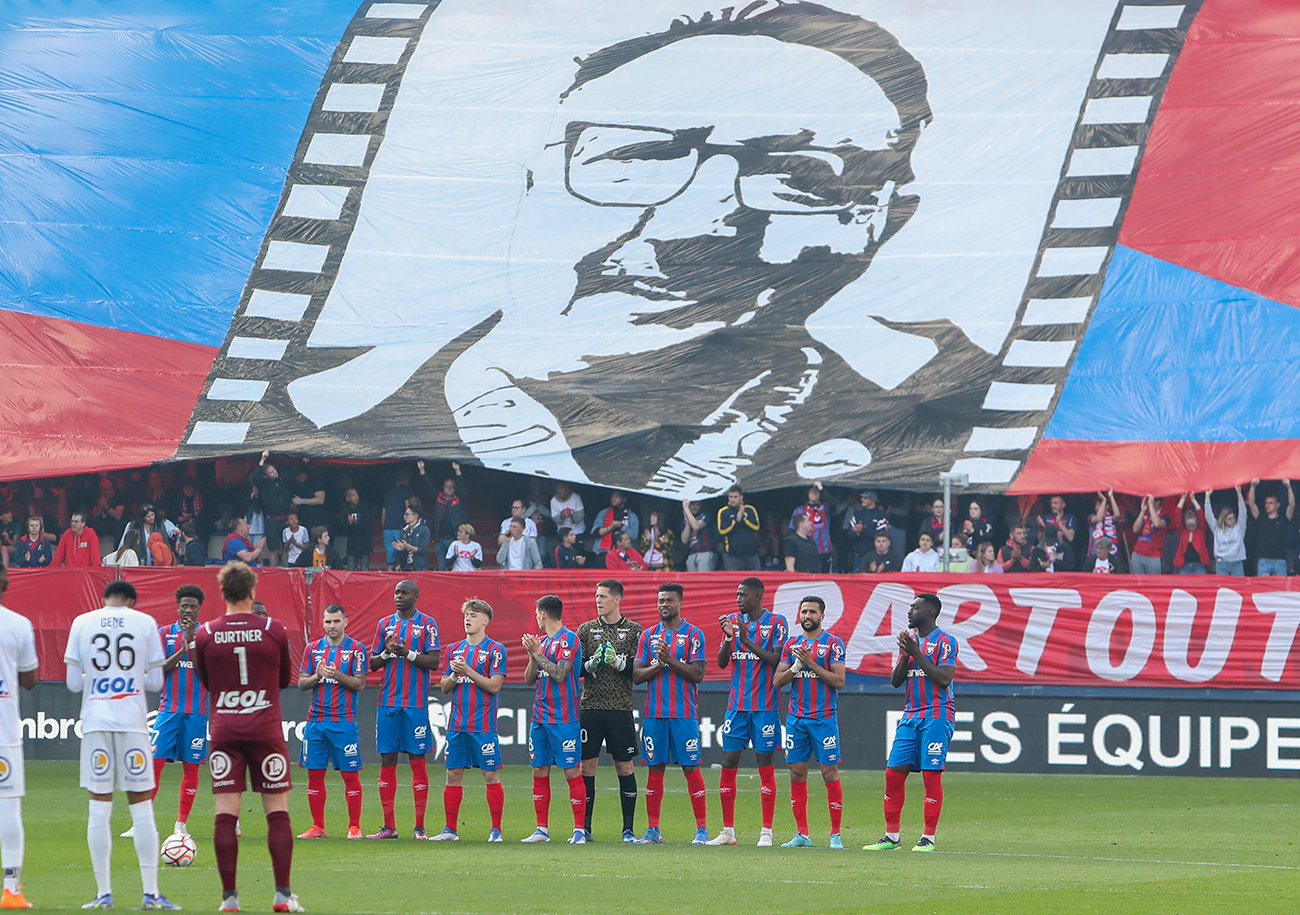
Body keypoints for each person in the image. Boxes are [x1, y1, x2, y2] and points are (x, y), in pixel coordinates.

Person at [192, 563, 300, 913]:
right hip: (266, 731)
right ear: (253, 592)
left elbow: (206, 682)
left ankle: (229, 899)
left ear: (222, 593)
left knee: (226, 813)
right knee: (277, 811)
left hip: (225, 731)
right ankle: (282, 895)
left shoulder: (205, 633)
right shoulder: (273, 629)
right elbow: (284, 679)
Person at [63, 580, 174, 911]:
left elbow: (71, 684)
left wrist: (98, 681)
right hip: (132, 722)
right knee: (141, 806)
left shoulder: (82, 622)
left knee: (99, 806)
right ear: (132, 601)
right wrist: (130, 678)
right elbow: (155, 682)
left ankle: (103, 894)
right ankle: (151, 894)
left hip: (96, 720)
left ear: (103, 599)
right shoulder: (144, 623)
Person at [866, 593, 957, 853]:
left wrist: (916, 652)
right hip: (911, 715)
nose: (909, 611)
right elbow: (896, 681)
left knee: (930, 775)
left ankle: (928, 838)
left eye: (915, 607)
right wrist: (906, 655)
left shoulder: (945, 641)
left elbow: (943, 678)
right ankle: (891, 837)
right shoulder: (910, 641)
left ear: (930, 612)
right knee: (893, 774)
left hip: (937, 715)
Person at [708, 578, 788, 847]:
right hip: (736, 707)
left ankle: (766, 831)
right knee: (729, 763)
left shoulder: (777, 622)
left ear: (757, 596)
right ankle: (728, 831)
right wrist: (731, 638)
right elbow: (721, 662)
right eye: (737, 594)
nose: (738, 598)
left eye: (743, 594)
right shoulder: (733, 620)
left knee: (765, 766)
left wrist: (746, 640)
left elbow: (777, 660)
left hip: (765, 708)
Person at [632, 583, 708, 845]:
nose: (664, 604)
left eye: (670, 600)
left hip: (684, 714)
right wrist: (658, 665)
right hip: (654, 716)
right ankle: (653, 830)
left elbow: (698, 674)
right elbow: (637, 675)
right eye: (661, 600)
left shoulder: (693, 635)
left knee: (690, 768)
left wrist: (670, 660)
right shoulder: (648, 635)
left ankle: (701, 830)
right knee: (655, 770)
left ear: (680, 603)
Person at [367, 580, 441, 840]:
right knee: (387, 760)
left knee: (417, 761)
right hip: (387, 704)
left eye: (404, 592)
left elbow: (434, 661)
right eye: (396, 592)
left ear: (416, 597)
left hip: (415, 705)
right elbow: (372, 664)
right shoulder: (384, 624)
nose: (399, 596)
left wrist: (407, 653)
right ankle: (389, 827)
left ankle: (419, 827)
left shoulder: (427, 624)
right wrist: (388, 653)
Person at [773, 595, 847, 849]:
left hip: (824, 718)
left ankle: (835, 834)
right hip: (796, 720)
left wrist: (810, 663)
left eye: (812, 612)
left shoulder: (833, 644)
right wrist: (796, 666)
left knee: (829, 773)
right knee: (796, 773)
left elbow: (838, 681)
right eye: (803, 611)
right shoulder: (792, 644)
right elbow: (777, 681)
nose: (807, 616)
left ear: (822, 616)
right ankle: (802, 834)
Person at [136, 585, 207, 842]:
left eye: (193, 606)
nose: (188, 610)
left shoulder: (207, 634)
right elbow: (158, 671)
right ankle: (143, 822)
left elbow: (208, 676)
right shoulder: (164, 633)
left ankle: (181, 824)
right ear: (177, 607)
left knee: (191, 768)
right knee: (154, 764)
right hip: (169, 710)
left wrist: (194, 645)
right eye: (184, 606)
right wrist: (182, 650)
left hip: (197, 713)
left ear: (200, 608)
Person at [434, 599, 506, 842]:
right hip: (456, 726)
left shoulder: (496, 650)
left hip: (483, 726)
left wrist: (468, 671)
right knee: (453, 775)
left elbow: (494, 686)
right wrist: (455, 673)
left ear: (485, 620)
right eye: (466, 615)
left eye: (474, 615)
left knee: (490, 775)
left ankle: (496, 831)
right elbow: (444, 687)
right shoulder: (454, 649)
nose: (468, 619)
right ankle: (450, 830)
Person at [577, 580, 642, 843]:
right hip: (590, 706)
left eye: (603, 596)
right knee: (586, 767)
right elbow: (576, 668)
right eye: (596, 596)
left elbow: (638, 671)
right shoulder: (585, 629)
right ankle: (584, 828)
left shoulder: (635, 631)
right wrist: (591, 664)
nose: (598, 600)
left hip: (620, 707)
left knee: (625, 767)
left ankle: (628, 829)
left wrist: (619, 663)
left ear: (617, 599)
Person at [296, 603, 367, 840]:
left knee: (350, 775)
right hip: (315, 722)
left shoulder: (356, 649)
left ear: (345, 622)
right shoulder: (312, 649)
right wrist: (318, 675)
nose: (332, 626)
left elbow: (359, 684)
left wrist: (336, 674)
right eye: (327, 621)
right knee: (314, 774)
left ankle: (354, 826)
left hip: (343, 722)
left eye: (336, 621)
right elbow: (302, 683)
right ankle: (318, 826)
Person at [520, 595, 586, 845]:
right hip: (540, 716)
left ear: (543, 614)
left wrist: (538, 653)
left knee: (571, 770)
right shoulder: (543, 642)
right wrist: (531, 655)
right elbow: (529, 680)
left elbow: (560, 674)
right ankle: (541, 829)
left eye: (537, 613)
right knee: (539, 770)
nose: (536, 617)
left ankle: (579, 830)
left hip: (564, 717)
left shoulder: (569, 638)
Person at [0, 567, 39, 909]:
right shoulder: (18, 624)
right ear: (6, 582)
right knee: (8, 809)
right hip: (4, 732)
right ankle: (11, 889)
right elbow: (29, 681)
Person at [420, 460, 467, 570]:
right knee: (442, 567)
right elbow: (428, 487)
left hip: (455, 539)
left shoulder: (459, 500)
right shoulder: (438, 498)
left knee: (457, 567)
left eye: (451, 486)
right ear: (443, 488)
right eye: (446, 486)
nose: (448, 489)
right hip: (440, 539)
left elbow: (463, 488)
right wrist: (422, 470)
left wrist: (457, 471)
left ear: (455, 488)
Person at [1248, 479, 1292, 576]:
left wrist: (1289, 488)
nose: (1267, 505)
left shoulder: (1283, 519)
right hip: (1264, 561)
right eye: (1266, 503)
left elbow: (1291, 506)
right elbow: (1252, 504)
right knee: (1263, 590)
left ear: (1278, 505)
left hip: (1280, 561)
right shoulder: (1261, 518)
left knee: (1280, 590)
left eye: (1271, 503)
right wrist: (1253, 487)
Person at [789, 483, 833, 572]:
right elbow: (792, 530)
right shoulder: (799, 510)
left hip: (823, 549)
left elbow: (834, 503)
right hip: (805, 550)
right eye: (812, 491)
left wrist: (822, 488)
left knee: (825, 579)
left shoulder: (825, 508)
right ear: (807, 493)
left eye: (817, 491)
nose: (814, 493)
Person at [1205, 486, 1247, 576]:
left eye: (1233, 518)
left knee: (1239, 587)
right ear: (1224, 519)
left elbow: (1243, 512)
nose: (1232, 520)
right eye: (1229, 519)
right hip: (1222, 563)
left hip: (1237, 562)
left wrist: (1239, 495)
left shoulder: (1239, 527)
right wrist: (1207, 497)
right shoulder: (1217, 529)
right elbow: (1209, 516)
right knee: (1223, 589)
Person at [717, 486, 760, 572]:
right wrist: (736, 521)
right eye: (730, 497)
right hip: (732, 555)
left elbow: (756, 527)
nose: (732, 499)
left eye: (735, 497)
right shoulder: (723, 511)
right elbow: (722, 531)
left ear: (741, 497)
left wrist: (743, 518)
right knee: (733, 583)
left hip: (751, 554)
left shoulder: (750, 509)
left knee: (755, 581)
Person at [845, 491, 890, 571]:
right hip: (858, 555)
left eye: (865, 498)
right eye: (862, 497)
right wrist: (857, 533)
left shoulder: (881, 515)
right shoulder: (857, 514)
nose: (862, 499)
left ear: (873, 500)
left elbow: (881, 535)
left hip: (875, 556)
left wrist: (862, 530)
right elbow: (849, 534)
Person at [381, 469, 414, 570]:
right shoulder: (406, 491)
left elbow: (383, 511)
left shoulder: (389, 492)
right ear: (406, 479)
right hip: (399, 527)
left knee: (390, 556)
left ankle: (390, 574)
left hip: (387, 528)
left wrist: (384, 525)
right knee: (403, 553)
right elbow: (407, 507)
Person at [1131, 494, 1172, 575]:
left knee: (1154, 584)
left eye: (1150, 501)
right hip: (1138, 553)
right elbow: (1135, 529)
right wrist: (1142, 511)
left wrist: (1151, 508)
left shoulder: (1165, 516)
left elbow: (1157, 524)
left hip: (1154, 556)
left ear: (1158, 502)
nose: (1147, 502)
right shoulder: (1145, 514)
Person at [592, 492, 639, 561]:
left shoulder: (632, 516)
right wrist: (610, 528)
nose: (613, 499)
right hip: (603, 554)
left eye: (617, 496)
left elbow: (634, 536)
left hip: (623, 554)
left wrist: (621, 526)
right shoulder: (603, 513)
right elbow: (594, 532)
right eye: (612, 496)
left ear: (624, 499)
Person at [1172, 494, 1210, 575]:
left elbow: (1201, 515)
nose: (1191, 527)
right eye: (1189, 525)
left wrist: (1193, 500)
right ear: (1185, 524)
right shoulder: (1183, 531)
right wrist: (1183, 499)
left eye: (1193, 525)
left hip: (1199, 566)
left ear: (1197, 523)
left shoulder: (1201, 530)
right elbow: (1177, 517)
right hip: (1185, 566)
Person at [336, 488, 373, 571]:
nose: (356, 498)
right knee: (351, 568)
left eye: (356, 495)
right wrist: (349, 523)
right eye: (353, 496)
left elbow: (367, 524)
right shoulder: (345, 510)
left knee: (364, 567)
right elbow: (344, 527)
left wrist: (356, 523)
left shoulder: (364, 508)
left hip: (364, 541)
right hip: (352, 542)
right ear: (347, 498)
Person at [680, 500, 717, 572]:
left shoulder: (706, 514)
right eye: (691, 505)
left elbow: (696, 526)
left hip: (706, 552)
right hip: (692, 553)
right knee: (692, 581)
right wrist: (687, 522)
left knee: (703, 579)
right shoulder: (685, 520)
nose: (694, 507)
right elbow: (684, 540)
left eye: (696, 505)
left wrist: (686, 508)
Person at [392, 506, 431, 572]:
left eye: (407, 514)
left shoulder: (424, 530)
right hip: (405, 567)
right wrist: (401, 547)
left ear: (415, 516)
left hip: (419, 568)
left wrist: (408, 546)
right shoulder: (404, 531)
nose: (404, 516)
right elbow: (404, 549)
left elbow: (423, 550)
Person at [1087, 489, 1122, 559]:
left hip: (1111, 553)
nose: (1097, 507)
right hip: (1094, 553)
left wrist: (1111, 496)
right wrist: (1104, 502)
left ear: (1107, 506)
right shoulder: (1091, 516)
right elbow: (1098, 519)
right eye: (1096, 505)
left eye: (1099, 504)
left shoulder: (1110, 518)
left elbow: (1117, 515)